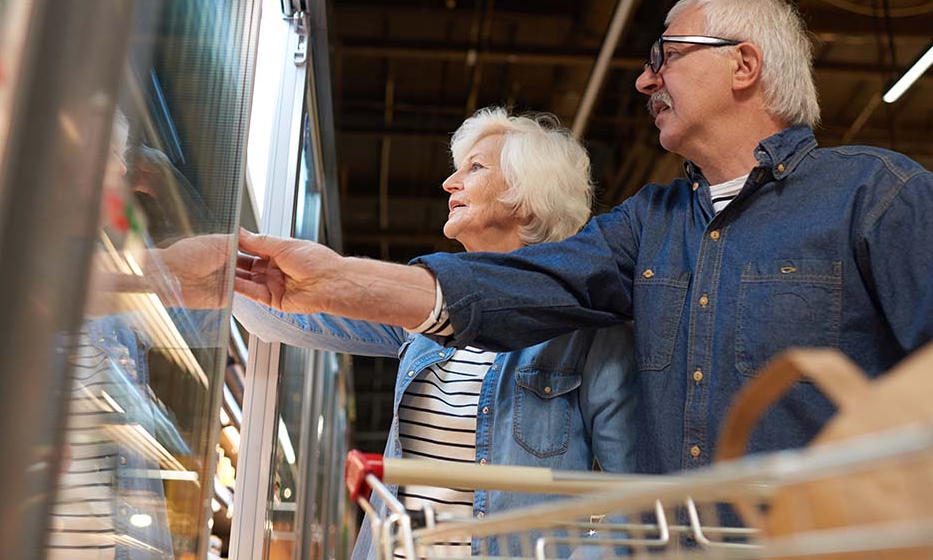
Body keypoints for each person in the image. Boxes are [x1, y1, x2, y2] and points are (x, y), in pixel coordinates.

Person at [233, 0, 933, 479]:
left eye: (666, 56)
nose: (645, 78)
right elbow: (520, 282)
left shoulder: (875, 195)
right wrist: (326, 277)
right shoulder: (648, 225)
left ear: (743, 65)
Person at [233, 108, 639, 559]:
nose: (449, 183)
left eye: (476, 167)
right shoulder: (427, 311)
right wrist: (212, 264)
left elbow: (634, 503)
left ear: (528, 193)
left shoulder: (588, 331)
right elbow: (284, 314)